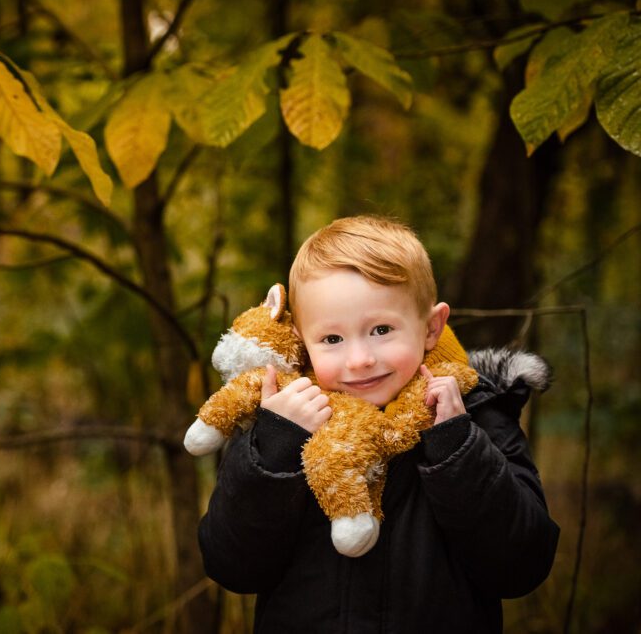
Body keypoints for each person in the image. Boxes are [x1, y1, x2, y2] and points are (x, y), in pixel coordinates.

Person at [198, 215, 560, 632]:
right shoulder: (280, 421)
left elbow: (523, 567)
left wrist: (457, 447)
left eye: (381, 329)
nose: (359, 360)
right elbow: (231, 566)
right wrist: (276, 446)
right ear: (302, 339)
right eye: (332, 339)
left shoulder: (476, 414)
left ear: (431, 327)